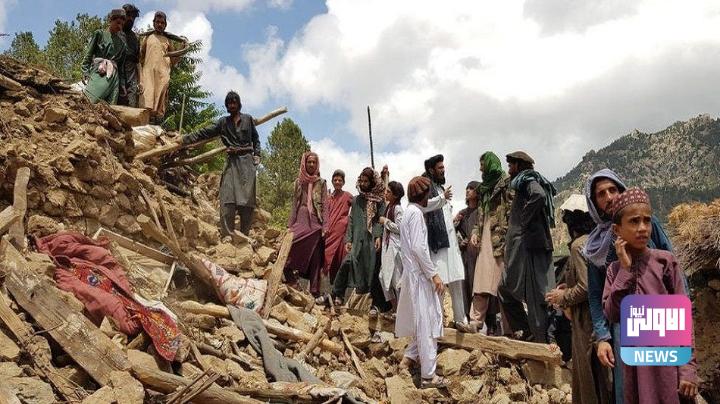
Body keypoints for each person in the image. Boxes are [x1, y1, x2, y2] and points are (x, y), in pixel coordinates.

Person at [583, 169, 673, 404]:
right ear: (594, 203)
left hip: (659, 316)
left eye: (613, 190)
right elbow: (595, 295)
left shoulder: (648, 225)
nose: (609, 197)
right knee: (630, 388)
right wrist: (603, 337)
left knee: (665, 384)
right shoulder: (594, 246)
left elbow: (673, 270)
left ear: (621, 190)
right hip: (623, 325)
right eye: (601, 194)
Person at [602, 188, 698, 404]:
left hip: (668, 364)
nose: (642, 228)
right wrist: (625, 270)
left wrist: (687, 368)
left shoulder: (666, 262)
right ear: (617, 230)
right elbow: (612, 313)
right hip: (635, 367)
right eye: (634, 221)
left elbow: (684, 320)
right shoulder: (614, 271)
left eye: (647, 220)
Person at [546, 194, 608, 404]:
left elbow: (586, 287)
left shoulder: (578, 245)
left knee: (588, 376)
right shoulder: (597, 241)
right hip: (600, 319)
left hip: (586, 321)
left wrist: (562, 296)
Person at [181, 91, 260, 236]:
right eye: (229, 103)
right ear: (226, 106)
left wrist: (257, 155)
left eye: (234, 102)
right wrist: (185, 139)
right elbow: (204, 132)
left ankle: (244, 235)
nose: (232, 105)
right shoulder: (223, 122)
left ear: (239, 104)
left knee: (247, 201)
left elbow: (256, 139)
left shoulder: (248, 119)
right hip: (232, 162)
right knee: (227, 197)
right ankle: (227, 235)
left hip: (247, 162)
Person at [395, 176, 447, 389]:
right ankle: (429, 376)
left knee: (422, 322)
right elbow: (418, 247)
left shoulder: (409, 212)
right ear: (424, 195)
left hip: (414, 275)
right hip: (420, 276)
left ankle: (409, 358)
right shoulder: (416, 214)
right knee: (428, 325)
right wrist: (433, 274)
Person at [500, 151, 556, 343]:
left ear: (518, 165)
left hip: (529, 250)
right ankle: (527, 331)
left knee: (536, 298)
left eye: (511, 166)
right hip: (524, 248)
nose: (509, 170)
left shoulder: (527, 180)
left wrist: (524, 218)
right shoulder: (523, 182)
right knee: (504, 288)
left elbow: (539, 195)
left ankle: (541, 342)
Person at [421, 154, 471, 331]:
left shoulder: (440, 188)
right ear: (431, 170)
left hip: (450, 242)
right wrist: (442, 198)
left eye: (443, 167)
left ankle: (461, 320)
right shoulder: (426, 186)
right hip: (437, 243)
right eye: (440, 168)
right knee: (440, 282)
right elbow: (424, 205)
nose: (443, 170)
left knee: (456, 279)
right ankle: (437, 322)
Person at [468, 151, 513, 335]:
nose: (481, 169)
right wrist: (475, 232)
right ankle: (475, 322)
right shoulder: (483, 190)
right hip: (486, 238)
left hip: (501, 239)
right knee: (481, 281)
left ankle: (510, 328)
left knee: (504, 286)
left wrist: (509, 236)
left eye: (483, 165)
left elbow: (511, 211)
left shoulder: (506, 183)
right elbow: (480, 216)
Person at [331, 168, 385, 306]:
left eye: (366, 181)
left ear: (372, 182)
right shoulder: (356, 200)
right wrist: (348, 239)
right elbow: (351, 220)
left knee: (370, 270)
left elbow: (380, 220)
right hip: (357, 240)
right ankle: (337, 294)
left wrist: (378, 236)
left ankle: (375, 304)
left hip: (371, 241)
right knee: (347, 263)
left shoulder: (379, 201)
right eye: (361, 181)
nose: (363, 184)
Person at [284, 152, 327, 296]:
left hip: (315, 222)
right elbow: (294, 205)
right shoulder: (298, 182)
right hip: (301, 219)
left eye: (314, 162)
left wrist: (325, 227)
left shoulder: (321, 183)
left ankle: (314, 290)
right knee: (288, 247)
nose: (311, 165)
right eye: (309, 162)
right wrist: (290, 226)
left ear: (317, 164)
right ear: (304, 163)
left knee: (316, 255)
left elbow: (325, 206)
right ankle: (291, 279)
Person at [139, 11, 187, 121]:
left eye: (162, 23)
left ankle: (157, 121)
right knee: (147, 99)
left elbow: (173, 61)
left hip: (162, 75)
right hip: (148, 74)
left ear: (165, 25)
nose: (159, 24)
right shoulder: (147, 37)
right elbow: (141, 57)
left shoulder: (168, 40)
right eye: (157, 22)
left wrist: (181, 49)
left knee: (160, 101)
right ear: (154, 23)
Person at [318, 170, 353, 302]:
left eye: (340, 180)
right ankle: (323, 293)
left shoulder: (347, 196)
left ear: (343, 182)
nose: (337, 182)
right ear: (332, 181)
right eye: (335, 180)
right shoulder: (328, 198)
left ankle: (339, 295)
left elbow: (359, 204)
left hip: (342, 235)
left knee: (339, 262)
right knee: (325, 261)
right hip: (328, 234)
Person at [81, 9, 127, 104]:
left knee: (110, 108)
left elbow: (121, 67)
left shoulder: (122, 44)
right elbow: (88, 54)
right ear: (110, 20)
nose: (119, 26)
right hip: (100, 71)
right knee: (89, 101)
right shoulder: (99, 34)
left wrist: (122, 85)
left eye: (122, 25)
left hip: (114, 77)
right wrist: (85, 72)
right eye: (118, 23)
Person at [378, 181, 405, 311]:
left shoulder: (398, 209)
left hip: (395, 248)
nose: (386, 193)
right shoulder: (389, 207)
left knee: (396, 280)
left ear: (395, 195)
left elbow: (400, 228)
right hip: (387, 247)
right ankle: (395, 308)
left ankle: (400, 311)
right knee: (383, 277)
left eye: (389, 192)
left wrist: (386, 222)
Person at [118, 4, 140, 107]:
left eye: (133, 17)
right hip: (115, 78)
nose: (131, 19)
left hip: (131, 81)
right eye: (128, 15)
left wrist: (140, 81)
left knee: (131, 107)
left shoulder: (135, 38)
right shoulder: (114, 33)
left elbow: (137, 62)